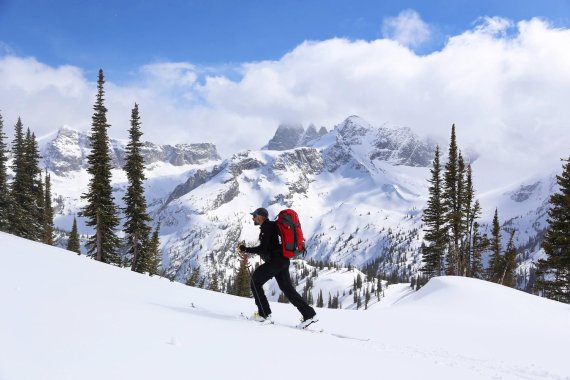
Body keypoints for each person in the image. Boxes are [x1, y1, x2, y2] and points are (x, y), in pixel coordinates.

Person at [238, 207, 318, 328]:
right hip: (283, 261)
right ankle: (309, 314)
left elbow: (262, 248)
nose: (252, 218)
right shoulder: (272, 226)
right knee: (288, 290)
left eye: (254, 216)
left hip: (276, 262)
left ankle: (264, 314)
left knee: (255, 281)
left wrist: (246, 249)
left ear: (260, 216)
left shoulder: (267, 227)